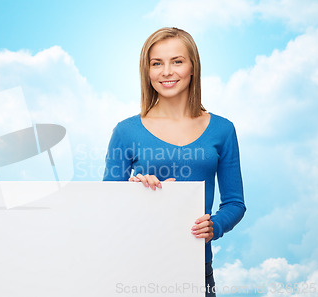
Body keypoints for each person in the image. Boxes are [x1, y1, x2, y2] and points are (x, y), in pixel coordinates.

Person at [103, 27, 246, 297]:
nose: (166, 72)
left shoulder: (223, 130)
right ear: (147, 72)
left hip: (196, 267)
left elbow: (235, 203)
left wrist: (215, 226)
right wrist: (132, 192)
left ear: (193, 67)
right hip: (136, 267)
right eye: (157, 63)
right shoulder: (126, 131)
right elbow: (107, 205)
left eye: (177, 61)